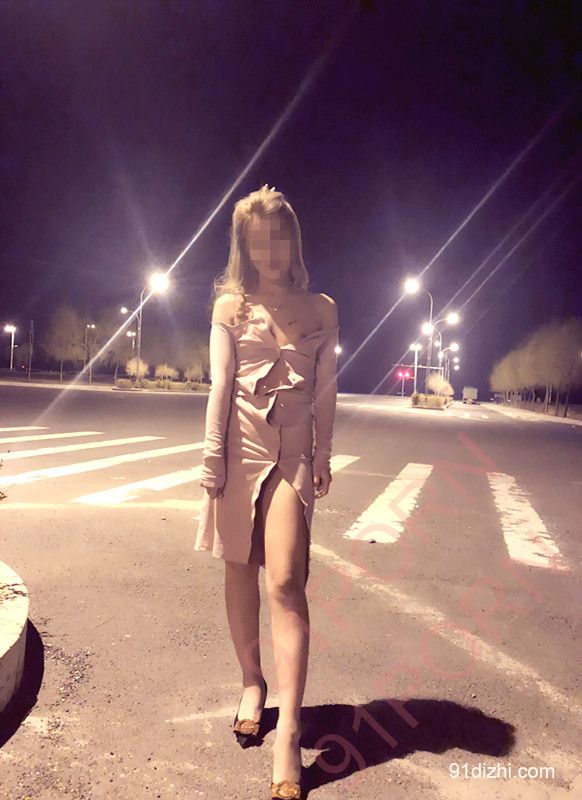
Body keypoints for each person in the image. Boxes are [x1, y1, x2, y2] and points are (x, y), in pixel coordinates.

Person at [194, 184, 339, 799]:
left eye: (279, 237)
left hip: (292, 458)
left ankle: (290, 730)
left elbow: (326, 389)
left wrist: (323, 454)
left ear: (293, 239)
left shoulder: (322, 308)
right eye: (258, 240)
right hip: (239, 451)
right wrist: (212, 457)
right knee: (238, 570)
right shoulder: (231, 307)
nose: (270, 250)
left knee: (284, 581)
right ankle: (252, 681)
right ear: (244, 246)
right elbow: (221, 383)